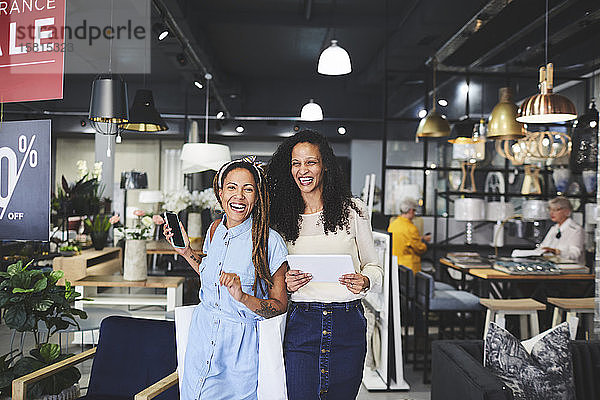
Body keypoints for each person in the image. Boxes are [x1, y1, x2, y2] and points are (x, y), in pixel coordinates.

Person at [157, 157, 288, 400]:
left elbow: (279, 308)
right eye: (232, 187)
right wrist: (186, 252)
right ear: (220, 192)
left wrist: (243, 296)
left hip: (238, 354)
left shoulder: (270, 242)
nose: (239, 196)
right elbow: (211, 276)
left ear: (257, 196)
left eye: (248, 189)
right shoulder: (215, 229)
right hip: (201, 340)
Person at [267, 129, 383, 400]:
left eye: (311, 162)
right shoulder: (281, 218)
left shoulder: (354, 210)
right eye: (296, 163)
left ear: (325, 165)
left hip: (348, 323)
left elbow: (374, 267)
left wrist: (365, 280)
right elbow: (272, 277)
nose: (302, 170)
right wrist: (287, 283)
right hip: (301, 322)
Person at [387, 197, 431, 274]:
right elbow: (419, 248)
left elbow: (404, 240)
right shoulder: (411, 228)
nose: (414, 214)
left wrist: (420, 238)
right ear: (410, 210)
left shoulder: (393, 224)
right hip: (409, 267)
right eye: (414, 211)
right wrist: (425, 242)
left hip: (395, 264)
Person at [539, 196, 585, 264]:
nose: (551, 213)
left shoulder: (576, 230)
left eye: (556, 210)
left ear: (567, 211)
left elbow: (575, 254)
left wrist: (557, 252)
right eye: (550, 209)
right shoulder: (554, 228)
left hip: (570, 270)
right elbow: (542, 248)